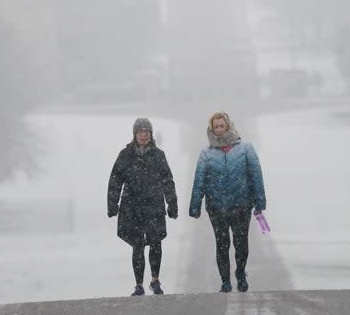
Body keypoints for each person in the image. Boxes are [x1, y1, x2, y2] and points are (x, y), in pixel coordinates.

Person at [189, 111, 267, 293]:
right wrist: (195, 206)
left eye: (222, 126)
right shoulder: (206, 153)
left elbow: (256, 175)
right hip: (217, 208)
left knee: (241, 244)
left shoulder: (246, 148)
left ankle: (240, 273)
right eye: (215, 127)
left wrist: (260, 202)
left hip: (241, 205)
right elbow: (199, 180)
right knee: (222, 245)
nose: (219, 130)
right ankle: (225, 281)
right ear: (212, 129)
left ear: (228, 126)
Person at [108, 117, 178, 296]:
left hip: (154, 204)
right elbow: (115, 180)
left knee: (156, 242)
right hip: (132, 206)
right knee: (137, 245)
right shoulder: (126, 155)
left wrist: (172, 203)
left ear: (151, 134)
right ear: (135, 134)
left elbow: (167, 180)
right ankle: (138, 284)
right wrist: (112, 203)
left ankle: (155, 280)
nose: (144, 135)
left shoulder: (158, 155)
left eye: (147, 132)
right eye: (141, 132)